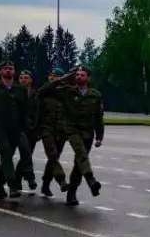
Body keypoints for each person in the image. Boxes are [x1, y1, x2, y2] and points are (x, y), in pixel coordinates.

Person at [63, 66, 104, 206]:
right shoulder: (67, 91)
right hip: (72, 130)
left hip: (88, 133)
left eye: (82, 74)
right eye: (77, 74)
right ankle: (91, 181)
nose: (79, 76)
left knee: (79, 164)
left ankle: (71, 193)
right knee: (81, 155)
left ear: (88, 78)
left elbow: (98, 118)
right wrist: (67, 76)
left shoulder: (95, 95)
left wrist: (99, 137)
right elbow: (47, 89)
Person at [0, 61, 29, 199]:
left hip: (16, 128)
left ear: (14, 71)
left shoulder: (20, 89)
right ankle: (12, 186)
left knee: (9, 156)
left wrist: (24, 128)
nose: (8, 71)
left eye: (10, 68)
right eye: (5, 69)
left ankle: (0, 185)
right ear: (0, 71)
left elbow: (24, 110)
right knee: (6, 153)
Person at [36, 68, 70, 197]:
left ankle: (45, 184)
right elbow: (42, 91)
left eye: (55, 76)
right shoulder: (45, 91)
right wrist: (57, 81)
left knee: (53, 159)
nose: (52, 77)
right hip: (46, 129)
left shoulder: (65, 92)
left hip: (61, 131)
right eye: (51, 75)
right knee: (52, 154)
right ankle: (61, 180)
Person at [15, 70, 39, 191]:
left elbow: (38, 112)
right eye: (21, 77)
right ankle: (30, 178)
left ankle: (17, 179)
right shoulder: (14, 92)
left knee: (27, 155)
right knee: (25, 153)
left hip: (32, 129)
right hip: (19, 129)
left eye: (26, 77)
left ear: (31, 80)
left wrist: (37, 128)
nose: (23, 79)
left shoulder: (36, 93)